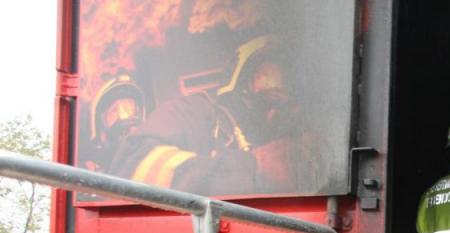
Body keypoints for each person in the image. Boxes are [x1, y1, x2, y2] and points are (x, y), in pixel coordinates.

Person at [109, 35, 318, 196]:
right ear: (239, 81)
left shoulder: (299, 142)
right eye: (268, 96)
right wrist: (254, 171)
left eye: (286, 103)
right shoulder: (195, 113)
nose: (274, 113)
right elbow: (136, 173)